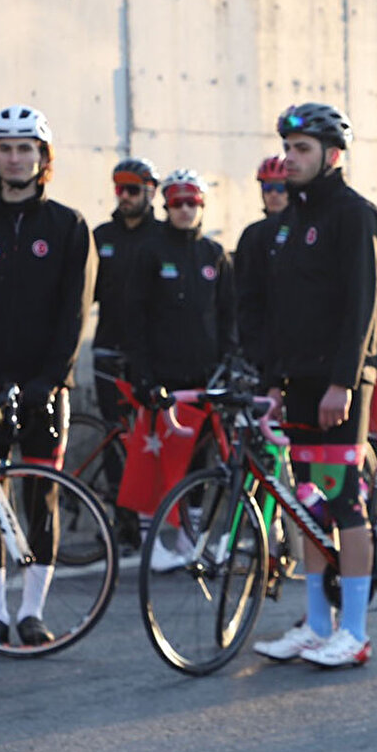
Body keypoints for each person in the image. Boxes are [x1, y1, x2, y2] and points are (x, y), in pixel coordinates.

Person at [252, 102, 377, 668]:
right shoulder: (290, 220)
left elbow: (363, 304)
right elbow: (282, 308)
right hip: (299, 380)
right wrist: (275, 382)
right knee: (306, 503)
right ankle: (316, 623)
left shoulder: (355, 215)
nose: (290, 158)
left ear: (332, 156)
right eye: (287, 147)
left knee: (343, 500)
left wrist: (343, 382)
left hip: (339, 385)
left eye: (302, 149)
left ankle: (353, 632)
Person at [0, 104, 95, 646]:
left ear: (43, 158)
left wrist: (51, 380)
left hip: (46, 389)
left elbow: (74, 311)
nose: (16, 157)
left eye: (27, 148)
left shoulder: (68, 226)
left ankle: (32, 614)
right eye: (6, 148)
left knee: (40, 497)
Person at [123, 168, 237, 571]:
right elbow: (133, 318)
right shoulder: (150, 252)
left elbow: (227, 318)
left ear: (202, 205)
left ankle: (190, 540)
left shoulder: (214, 255)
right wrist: (143, 375)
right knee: (154, 460)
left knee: (197, 463)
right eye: (176, 203)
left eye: (192, 202)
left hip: (204, 380)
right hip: (162, 379)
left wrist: (227, 364)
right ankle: (151, 543)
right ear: (166, 205)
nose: (185, 209)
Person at [93, 157, 160, 415]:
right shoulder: (101, 236)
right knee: (115, 433)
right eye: (119, 189)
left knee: (150, 433)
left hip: (152, 352)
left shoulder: (162, 237)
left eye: (132, 190)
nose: (125, 197)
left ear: (151, 192)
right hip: (109, 346)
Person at [234, 155, 290, 375]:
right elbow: (241, 291)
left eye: (280, 188)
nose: (274, 195)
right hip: (261, 339)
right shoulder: (252, 234)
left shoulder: (304, 228)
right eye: (268, 188)